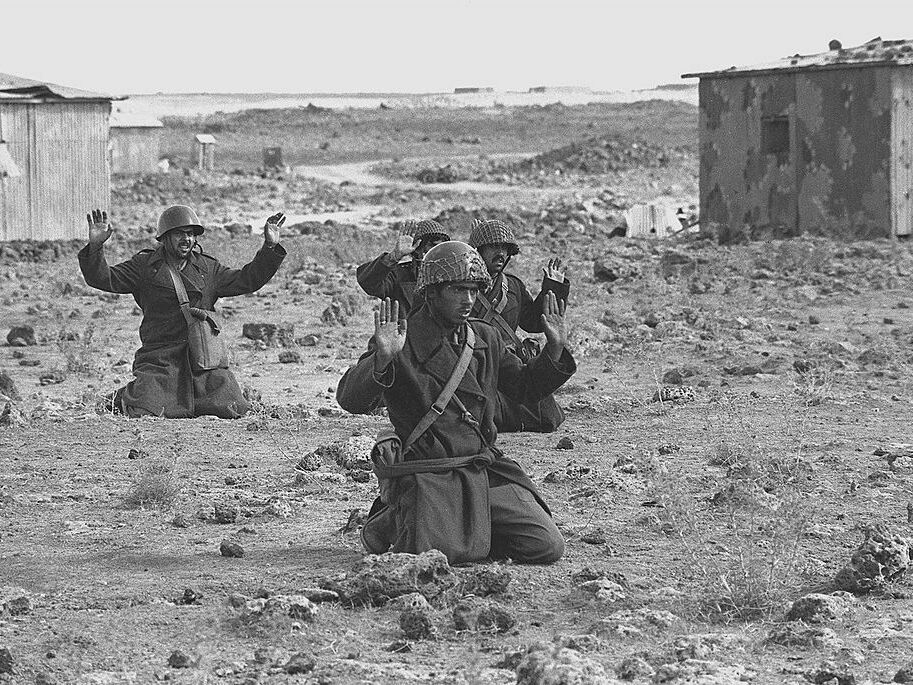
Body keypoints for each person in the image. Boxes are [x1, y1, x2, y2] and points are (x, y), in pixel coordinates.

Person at [337, 241, 576, 564]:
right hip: (430, 472)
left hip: (482, 466)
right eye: (457, 290)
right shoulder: (400, 340)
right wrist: (381, 359)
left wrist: (554, 349)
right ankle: (391, 520)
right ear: (431, 293)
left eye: (474, 291)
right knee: (438, 556)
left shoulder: (484, 337)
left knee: (546, 545)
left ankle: (472, 528)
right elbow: (350, 399)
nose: (468, 300)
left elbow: (524, 388)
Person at [77, 205, 287, 419]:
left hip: (201, 357)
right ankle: (118, 398)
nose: (186, 239)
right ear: (165, 237)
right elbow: (103, 278)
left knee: (233, 406)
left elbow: (247, 279)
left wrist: (269, 247)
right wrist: (95, 248)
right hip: (160, 358)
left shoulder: (208, 268)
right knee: (146, 407)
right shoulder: (144, 266)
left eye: (190, 234)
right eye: (179, 234)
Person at [467, 218, 571, 432]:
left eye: (505, 249)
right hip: (475, 364)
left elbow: (532, 322)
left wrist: (552, 288)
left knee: (548, 417)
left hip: (508, 366)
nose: (501, 253)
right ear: (478, 251)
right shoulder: (462, 286)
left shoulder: (512, 285)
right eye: (495, 247)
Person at [356, 219, 450, 316]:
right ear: (417, 249)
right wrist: (393, 257)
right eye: (432, 246)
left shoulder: (452, 276)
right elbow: (368, 282)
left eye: (441, 247)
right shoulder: (399, 275)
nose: (438, 252)